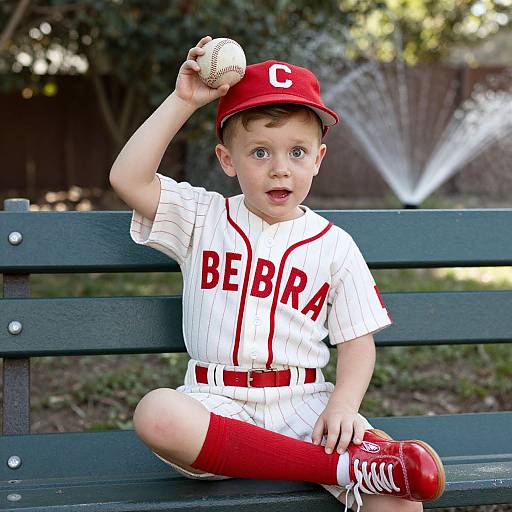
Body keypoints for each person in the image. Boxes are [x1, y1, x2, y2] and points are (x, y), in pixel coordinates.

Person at [109, 35, 445, 512]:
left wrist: (344, 407)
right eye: (260, 152)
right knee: (158, 414)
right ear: (227, 160)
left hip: (305, 403)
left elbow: (356, 342)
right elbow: (127, 178)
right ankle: (337, 469)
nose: (279, 170)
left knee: (400, 501)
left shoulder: (335, 245)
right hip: (217, 403)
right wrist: (183, 100)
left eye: (297, 152)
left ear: (319, 158)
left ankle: (332, 462)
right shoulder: (202, 218)